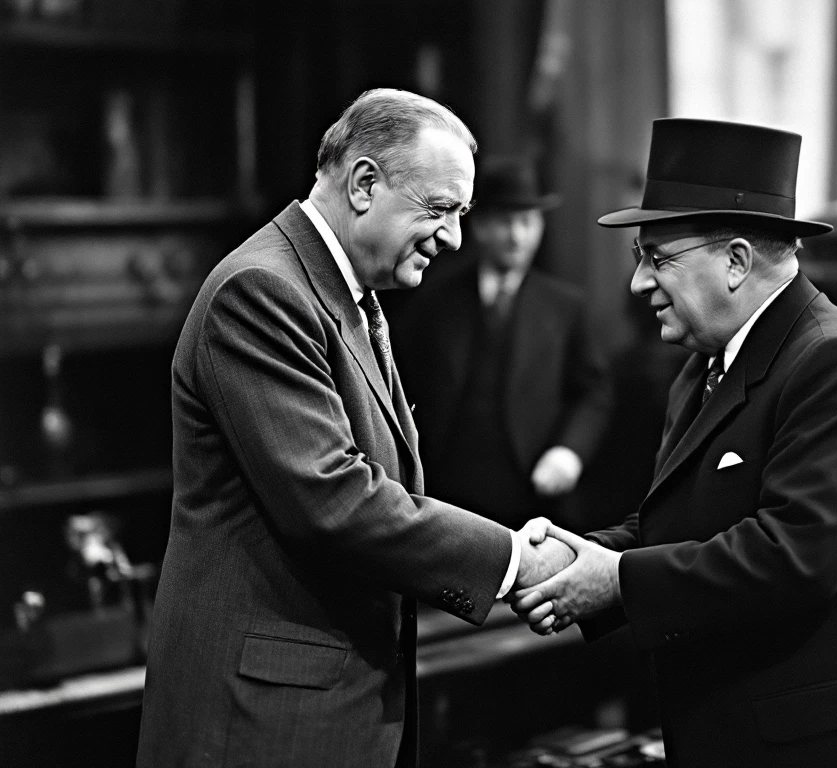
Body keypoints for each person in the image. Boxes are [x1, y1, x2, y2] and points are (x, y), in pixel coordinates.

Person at [136, 89, 573, 768]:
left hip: (320, 712)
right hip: (264, 723)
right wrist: (516, 563)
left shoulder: (347, 294)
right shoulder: (261, 292)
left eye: (462, 214)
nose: (455, 237)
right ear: (364, 183)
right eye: (439, 209)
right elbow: (334, 500)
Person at [511, 119, 837, 767]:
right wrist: (580, 555)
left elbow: (796, 556)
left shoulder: (835, 360)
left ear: (737, 261)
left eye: (656, 257)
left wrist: (616, 581)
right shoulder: (703, 367)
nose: (639, 283)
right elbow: (682, 523)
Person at [390, 157, 613, 530]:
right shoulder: (433, 300)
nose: (517, 237)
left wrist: (567, 454)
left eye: (528, 222)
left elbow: (595, 393)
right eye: (505, 222)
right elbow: (400, 382)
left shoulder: (565, 307)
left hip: (534, 498)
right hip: (446, 497)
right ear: (478, 226)